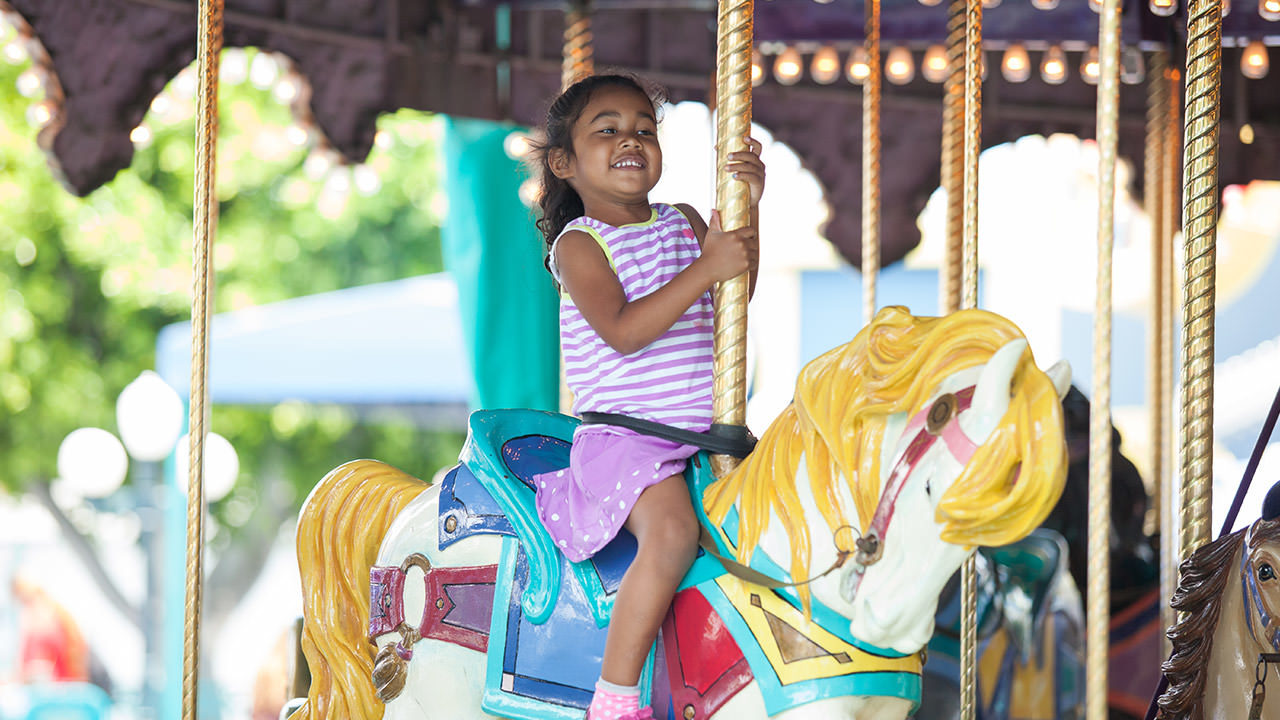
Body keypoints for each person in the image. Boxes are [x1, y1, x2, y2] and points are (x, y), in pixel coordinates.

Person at [531, 74, 763, 720]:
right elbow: (625, 332)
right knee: (670, 535)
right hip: (626, 440)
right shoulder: (579, 245)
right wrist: (707, 267)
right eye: (606, 130)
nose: (630, 140)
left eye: (644, 129)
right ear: (564, 163)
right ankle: (615, 695)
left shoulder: (683, 221)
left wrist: (750, 208)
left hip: (701, 438)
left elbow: (734, 296)